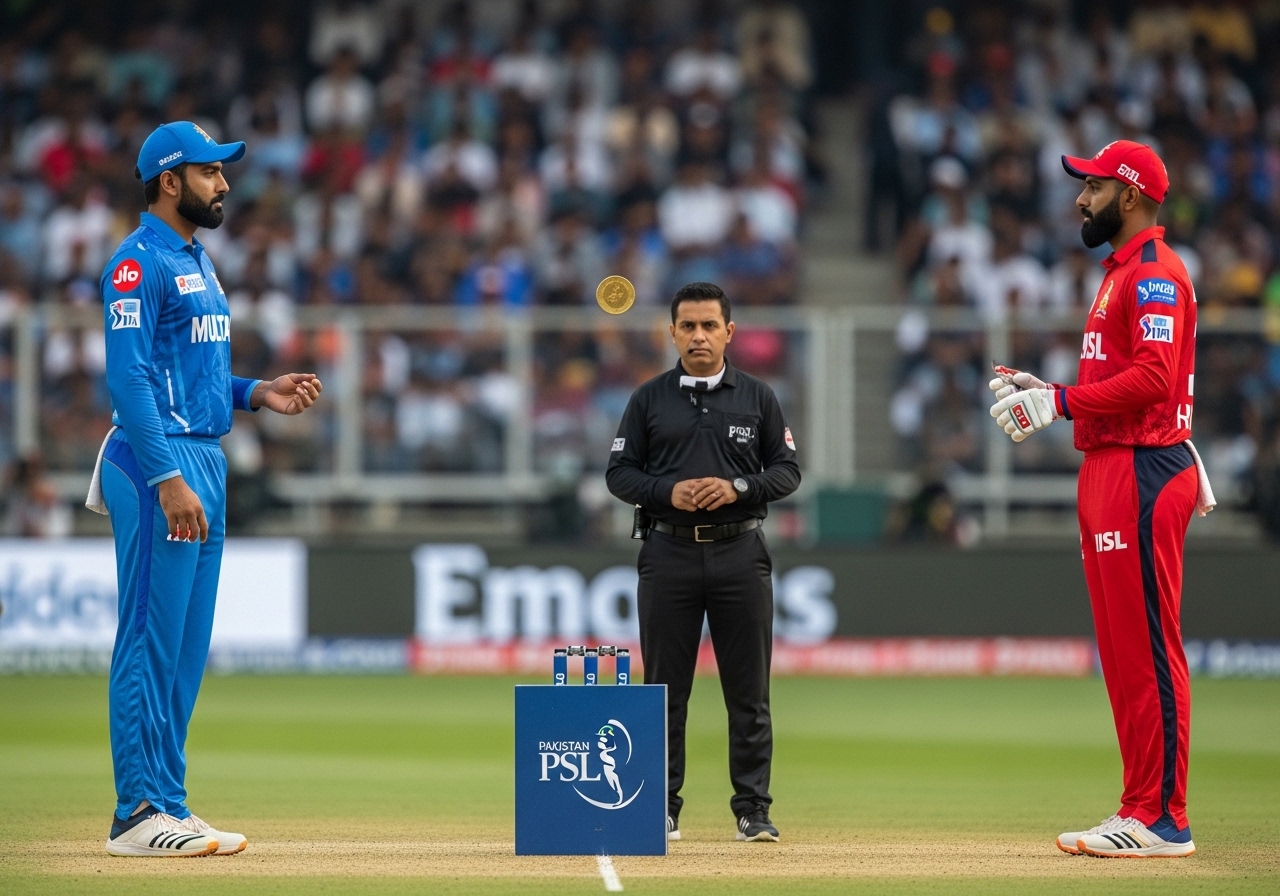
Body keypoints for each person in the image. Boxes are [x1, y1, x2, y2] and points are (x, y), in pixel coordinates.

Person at [91, 122, 323, 857]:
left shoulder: (196, 259)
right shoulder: (136, 264)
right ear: (169, 180)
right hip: (158, 462)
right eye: (209, 172)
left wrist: (257, 392)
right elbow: (128, 380)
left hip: (204, 459)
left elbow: (185, 378)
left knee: (186, 651)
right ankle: (135, 814)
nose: (224, 184)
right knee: (148, 642)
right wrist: (163, 477)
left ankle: (170, 803)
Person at [988, 140, 1214, 859]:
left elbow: (1153, 377)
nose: (1080, 199)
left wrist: (1057, 401)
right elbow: (1119, 379)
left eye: (1091, 187)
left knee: (1148, 646)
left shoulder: (1153, 274)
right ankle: (1139, 809)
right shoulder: (1120, 273)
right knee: (1122, 653)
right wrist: (1047, 391)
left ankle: (1165, 820)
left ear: (1129, 193)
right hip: (1113, 467)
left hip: (1145, 470)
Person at [605, 281, 800, 843]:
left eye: (709, 325)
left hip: (741, 552)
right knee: (665, 689)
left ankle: (753, 810)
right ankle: (660, 807)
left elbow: (787, 472)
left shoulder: (758, 398)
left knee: (749, 692)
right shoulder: (648, 398)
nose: (698, 336)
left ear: (729, 331)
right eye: (687, 326)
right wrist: (669, 493)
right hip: (667, 552)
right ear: (671, 333)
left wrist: (736, 485)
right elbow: (619, 474)